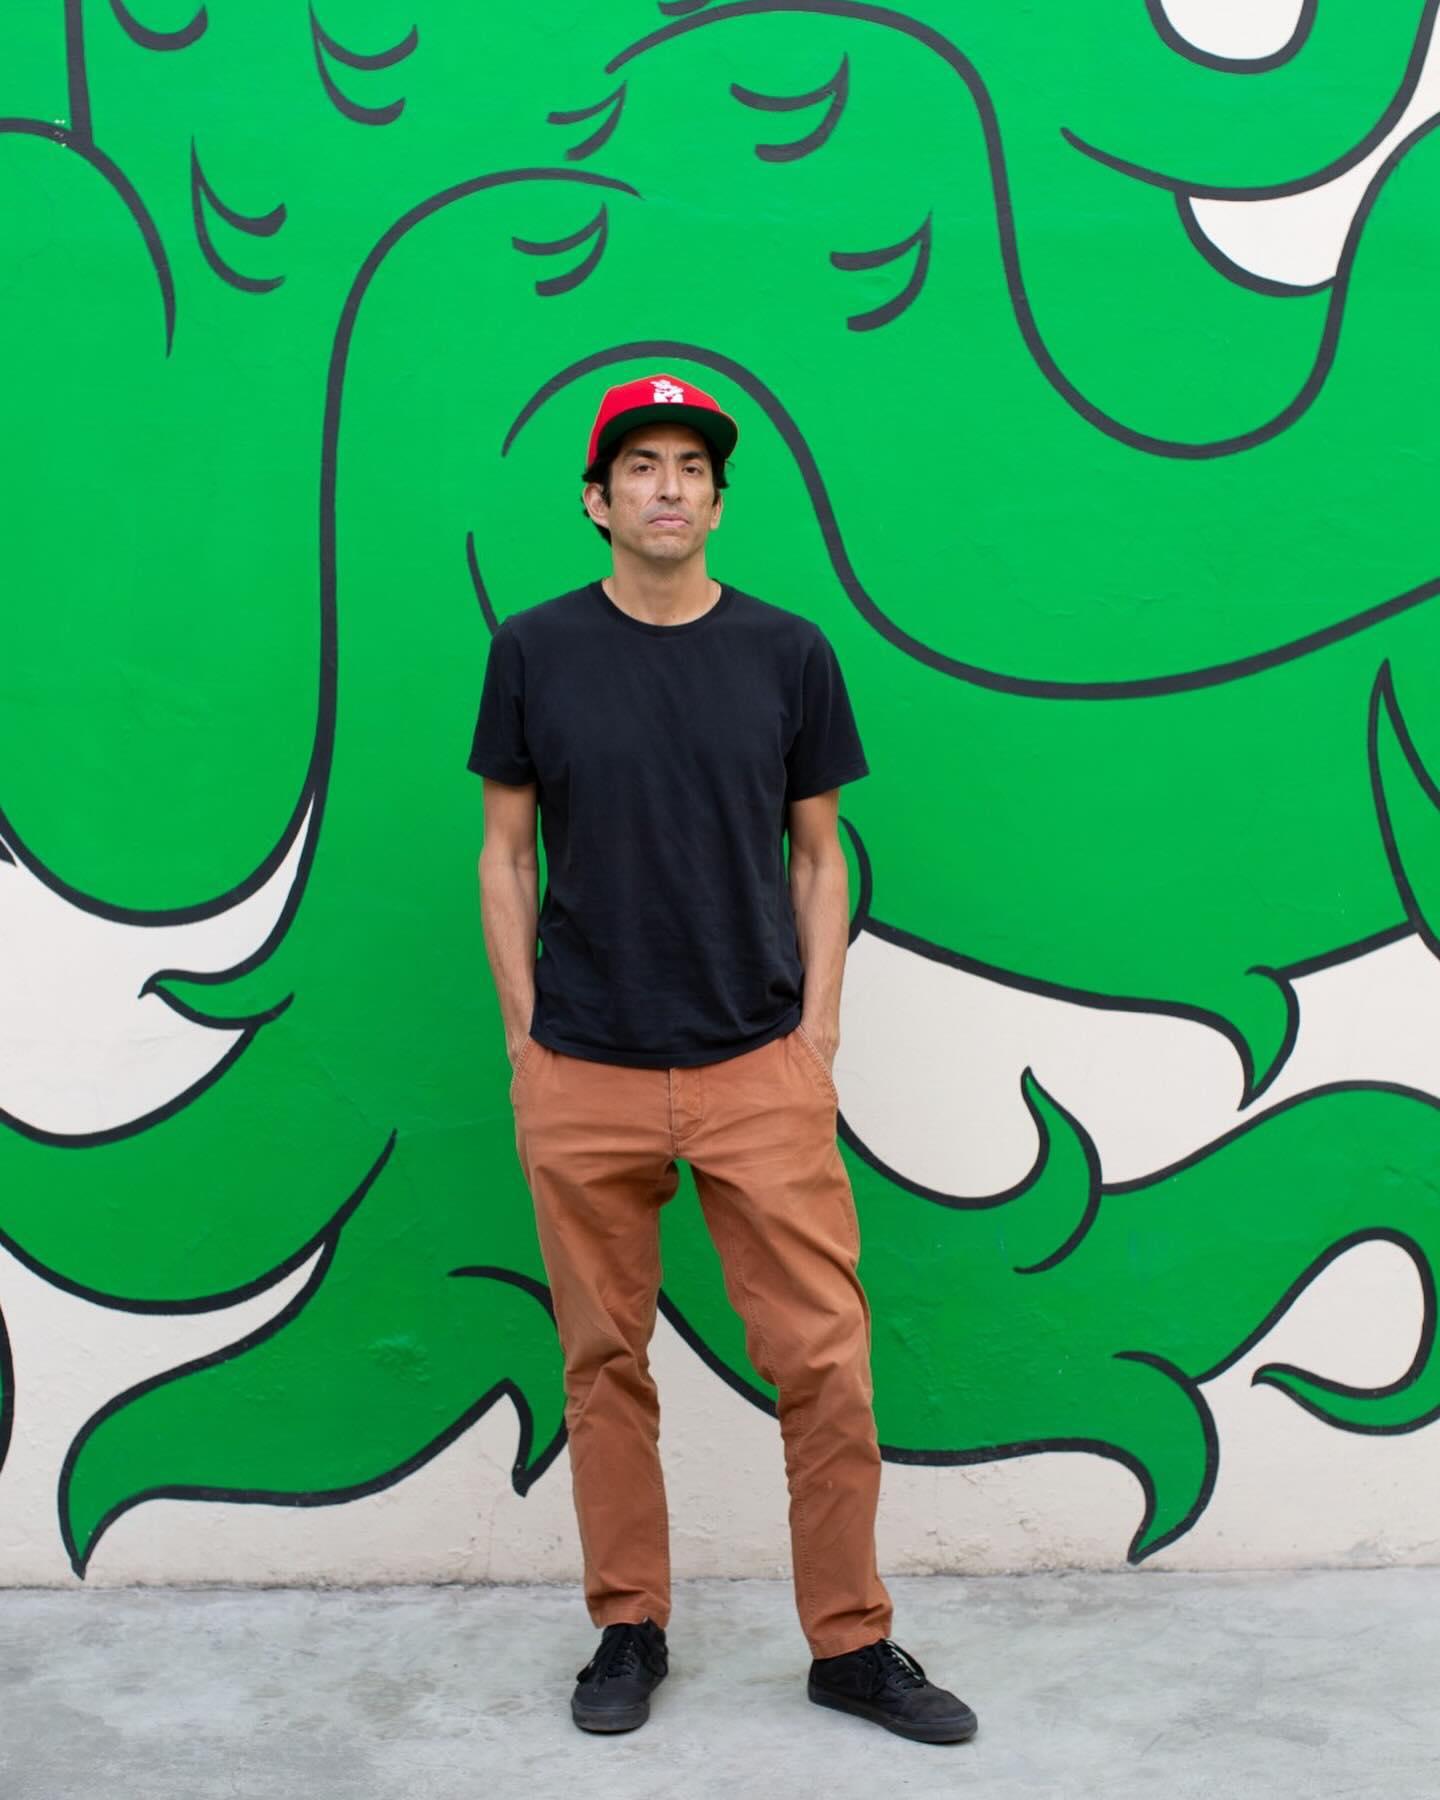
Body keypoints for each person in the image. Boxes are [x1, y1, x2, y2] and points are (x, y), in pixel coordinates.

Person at [469, 372, 977, 1745]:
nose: (669, 486)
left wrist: (818, 1034)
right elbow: (505, 855)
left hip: (759, 1063)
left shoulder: (788, 652)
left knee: (826, 1362)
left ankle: (850, 1644)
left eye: (693, 466)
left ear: (717, 500)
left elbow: (821, 856)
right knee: (603, 1362)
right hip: (584, 1066)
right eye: (642, 465)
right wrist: (524, 1039)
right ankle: (628, 1626)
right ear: (599, 500)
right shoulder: (533, 651)